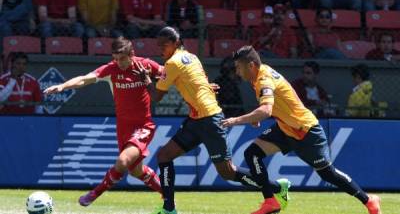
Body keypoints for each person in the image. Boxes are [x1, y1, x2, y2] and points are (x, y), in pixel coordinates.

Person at [136, 27, 289, 214]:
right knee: (164, 156)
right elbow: (196, 81)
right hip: (196, 120)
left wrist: (145, 79)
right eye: (158, 45)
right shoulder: (192, 57)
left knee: (227, 172)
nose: (161, 49)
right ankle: (169, 208)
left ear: (176, 43)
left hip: (209, 120)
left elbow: (157, 97)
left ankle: (276, 188)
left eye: (164, 45)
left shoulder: (173, 63)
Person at [221, 45, 381, 214]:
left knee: (328, 174)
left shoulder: (263, 79)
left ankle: (369, 200)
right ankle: (270, 201)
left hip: (305, 131)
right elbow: (272, 105)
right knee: (252, 154)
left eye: (238, 67)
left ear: (251, 65)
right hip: (285, 128)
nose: (237, 71)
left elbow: (266, 110)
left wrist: (236, 120)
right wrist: (256, 116)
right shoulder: (260, 73)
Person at [43, 36, 163, 206]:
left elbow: (170, 74)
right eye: (115, 59)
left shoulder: (145, 65)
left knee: (123, 161)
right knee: (136, 171)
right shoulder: (111, 69)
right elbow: (85, 79)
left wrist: (198, 85)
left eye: (122, 58)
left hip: (144, 125)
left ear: (132, 54)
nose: (119, 62)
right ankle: (167, 194)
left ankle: (95, 193)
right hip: (123, 127)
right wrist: (63, 86)